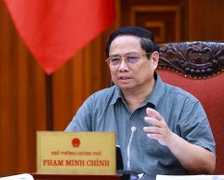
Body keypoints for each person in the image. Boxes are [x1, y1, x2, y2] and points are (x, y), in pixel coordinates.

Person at [65, 26, 216, 179]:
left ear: (154, 60)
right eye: (115, 60)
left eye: (132, 58)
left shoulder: (184, 104)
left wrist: (170, 139)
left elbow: (207, 165)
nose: (122, 67)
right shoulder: (95, 104)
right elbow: (66, 156)